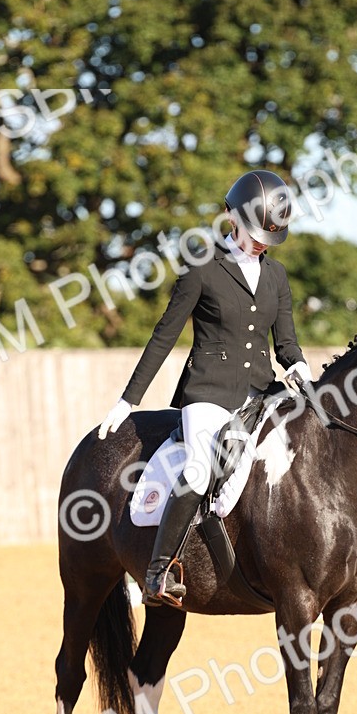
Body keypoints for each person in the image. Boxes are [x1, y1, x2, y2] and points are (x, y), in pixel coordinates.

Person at [98, 170, 312, 606]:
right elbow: (163, 336)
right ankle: (158, 574)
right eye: (254, 234)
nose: (259, 245)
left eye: (268, 239)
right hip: (209, 395)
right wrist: (128, 399)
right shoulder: (202, 269)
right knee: (198, 469)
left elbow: (286, 344)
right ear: (232, 216)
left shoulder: (277, 277)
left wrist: (306, 375)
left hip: (262, 394)